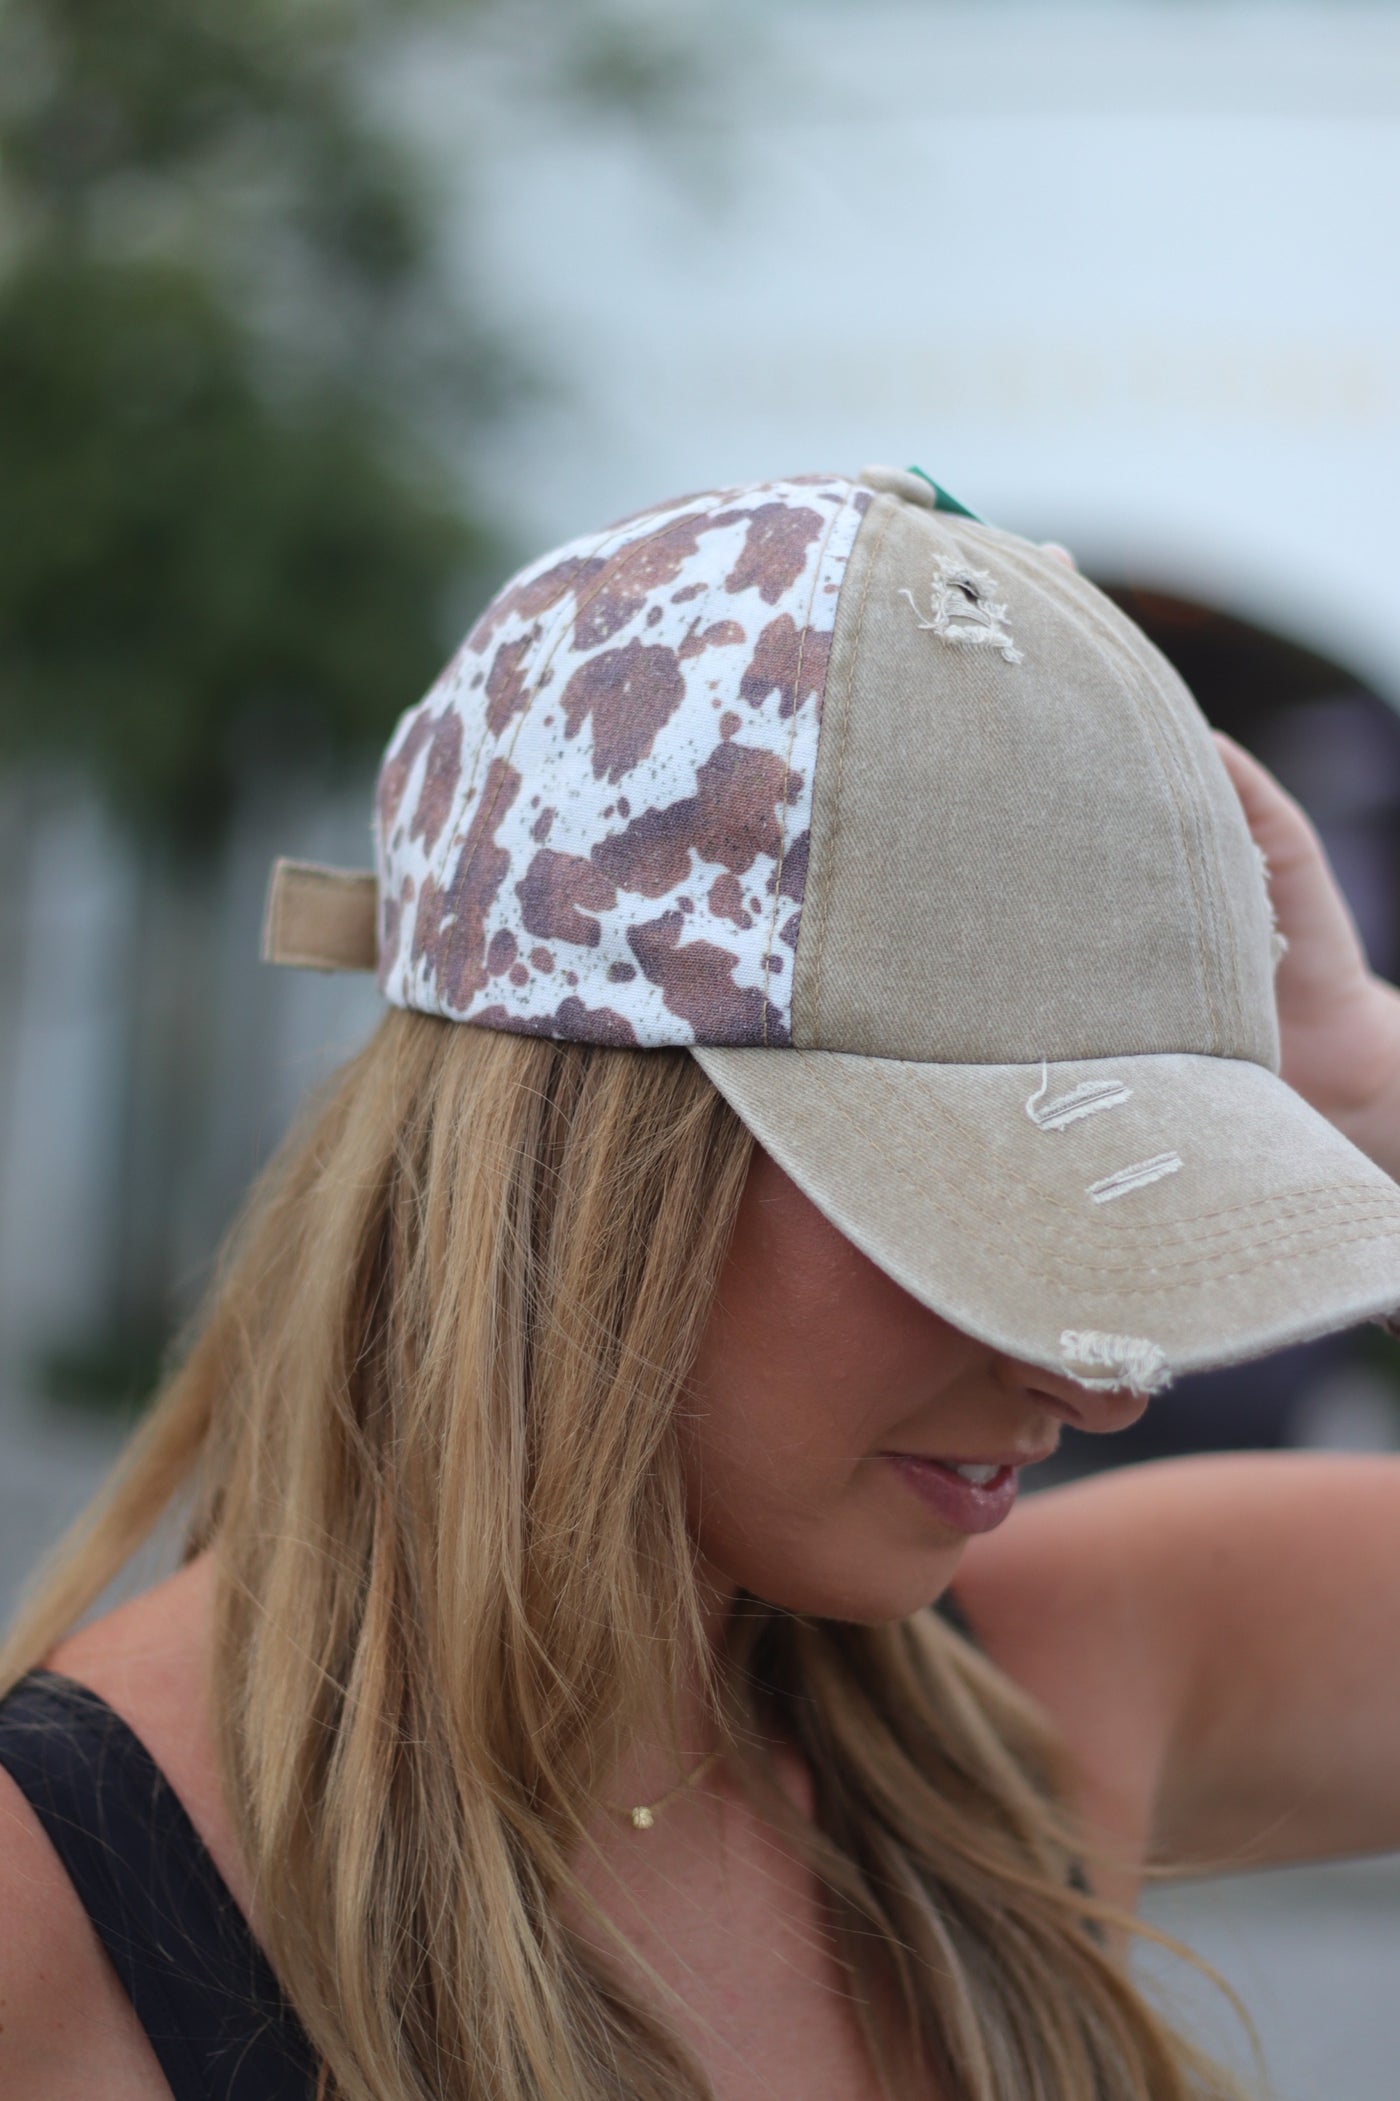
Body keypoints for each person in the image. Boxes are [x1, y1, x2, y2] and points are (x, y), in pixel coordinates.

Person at [4, 463, 1400, 2101]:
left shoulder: (1011, 1700)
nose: (1102, 1384)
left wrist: (1363, 1086)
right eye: (978, 1218)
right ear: (596, 1166)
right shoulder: (59, 1920)